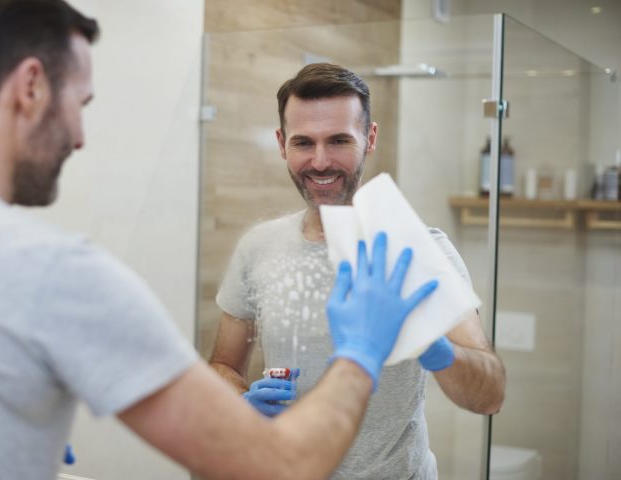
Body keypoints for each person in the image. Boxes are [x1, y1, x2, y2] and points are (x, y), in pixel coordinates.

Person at [0, 2, 439, 479]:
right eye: (80, 104)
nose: (80, 136)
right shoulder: (56, 275)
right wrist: (362, 349)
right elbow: (282, 466)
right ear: (30, 86)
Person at [209, 63, 507, 479]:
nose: (320, 161)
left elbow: (489, 395)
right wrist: (241, 403)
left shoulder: (418, 250)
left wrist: (435, 346)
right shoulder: (259, 247)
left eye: (338, 140)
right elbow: (223, 364)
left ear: (369, 138)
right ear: (281, 144)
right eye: (303, 143)